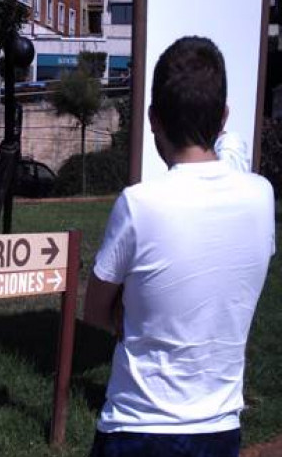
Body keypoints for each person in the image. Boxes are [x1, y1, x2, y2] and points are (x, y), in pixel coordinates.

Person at [83, 36, 275, 457]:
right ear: (223, 117)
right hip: (221, 430)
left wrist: (128, 314)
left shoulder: (139, 204)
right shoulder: (261, 197)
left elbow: (93, 310)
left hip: (135, 428)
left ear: (153, 118)